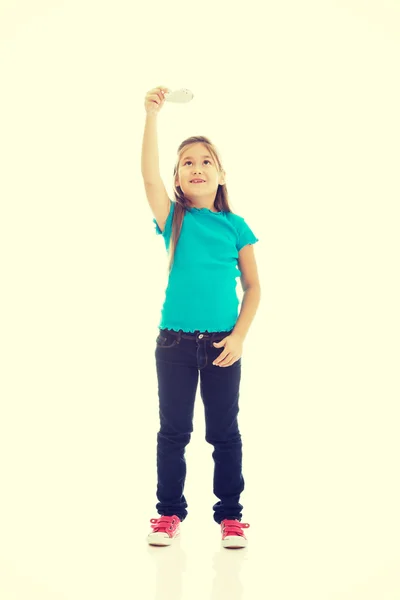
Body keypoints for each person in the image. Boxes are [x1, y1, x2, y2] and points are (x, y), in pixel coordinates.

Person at [141, 86, 261, 549]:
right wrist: (152, 116)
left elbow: (254, 288)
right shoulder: (176, 219)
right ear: (177, 178)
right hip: (173, 344)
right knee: (173, 432)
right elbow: (148, 179)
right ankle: (168, 513)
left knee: (224, 432)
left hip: (221, 345)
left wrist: (239, 336)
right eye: (186, 162)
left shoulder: (236, 226)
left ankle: (230, 516)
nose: (196, 166)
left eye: (205, 160)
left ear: (221, 174)